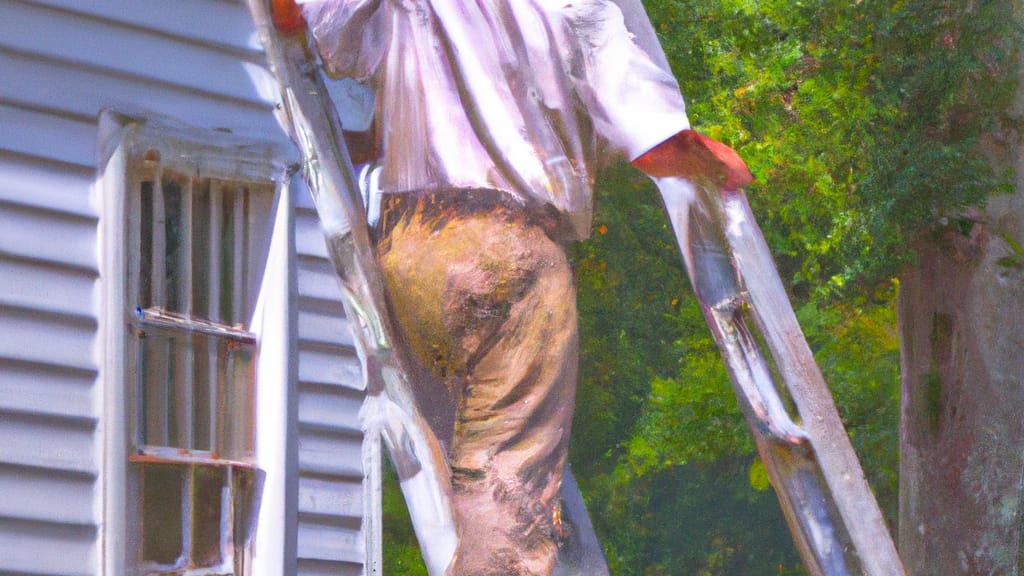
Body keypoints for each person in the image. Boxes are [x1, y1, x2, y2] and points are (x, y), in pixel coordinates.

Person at [272, 1, 752, 574]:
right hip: (508, 255)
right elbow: (654, 146)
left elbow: (290, 16)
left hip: (409, 247)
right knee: (508, 516)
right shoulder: (579, 8)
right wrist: (718, 161)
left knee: (461, 475)